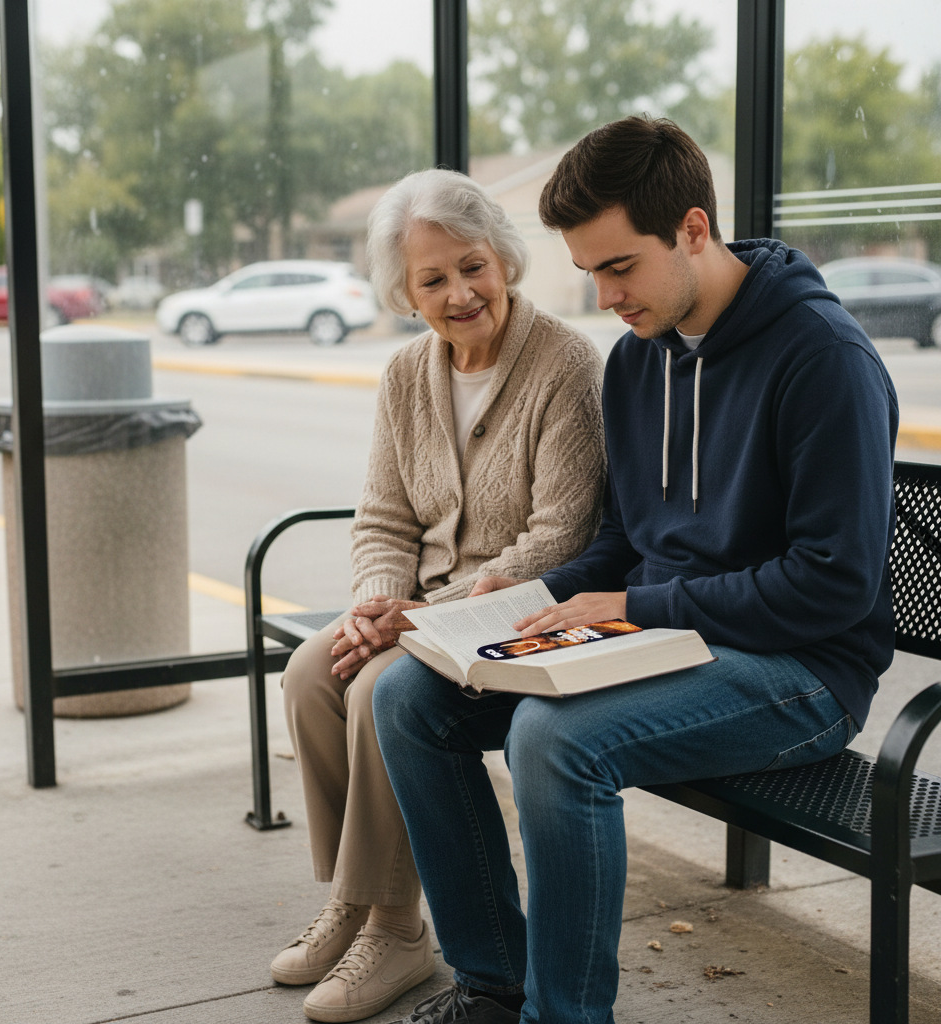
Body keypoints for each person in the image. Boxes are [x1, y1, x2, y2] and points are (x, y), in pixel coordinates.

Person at [372, 116, 899, 1024]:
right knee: (407, 700)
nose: (607, 294)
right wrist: (528, 596)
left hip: (801, 672)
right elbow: (624, 536)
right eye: (590, 273)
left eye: (620, 266)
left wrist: (639, 604)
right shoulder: (637, 362)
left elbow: (831, 583)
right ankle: (494, 984)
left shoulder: (823, 360)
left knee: (556, 740)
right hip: (658, 641)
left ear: (693, 229)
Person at [271, 168, 607, 1023]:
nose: (461, 293)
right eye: (434, 279)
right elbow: (382, 516)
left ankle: (394, 926)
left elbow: (560, 537)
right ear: (404, 291)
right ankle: (359, 906)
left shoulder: (567, 363)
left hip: (516, 617)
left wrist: (422, 615)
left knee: (383, 686)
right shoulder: (404, 376)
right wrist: (374, 603)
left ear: (503, 259)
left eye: (473, 266)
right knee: (313, 672)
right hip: (421, 613)